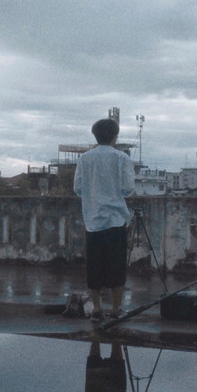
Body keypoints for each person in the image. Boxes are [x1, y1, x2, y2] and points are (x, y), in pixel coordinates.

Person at [73, 118, 135, 320]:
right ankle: (116, 309)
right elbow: (128, 189)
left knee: (95, 266)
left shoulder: (85, 159)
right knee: (117, 266)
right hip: (115, 219)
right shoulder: (122, 158)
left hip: (93, 221)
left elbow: (77, 188)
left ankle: (98, 309)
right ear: (115, 137)